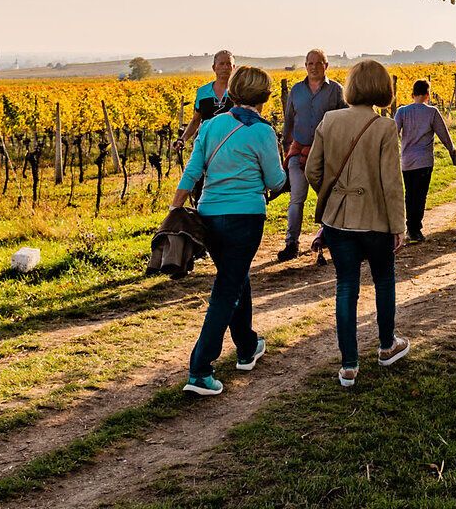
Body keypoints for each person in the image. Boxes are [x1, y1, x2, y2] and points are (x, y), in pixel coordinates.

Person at [172, 66, 285, 397]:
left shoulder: (211, 125)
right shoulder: (263, 133)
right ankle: (200, 369)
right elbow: (275, 182)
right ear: (265, 97)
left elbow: (193, 171)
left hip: (209, 216)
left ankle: (248, 346)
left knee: (236, 278)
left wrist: (175, 207)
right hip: (246, 218)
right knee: (227, 288)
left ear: (233, 92)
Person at [306, 60, 410, 388]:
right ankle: (386, 345)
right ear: (382, 89)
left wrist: (332, 194)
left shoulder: (329, 120)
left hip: (337, 220)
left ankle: (349, 365)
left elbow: (312, 170)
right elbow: (392, 182)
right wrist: (398, 225)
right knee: (383, 282)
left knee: (346, 286)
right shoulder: (384, 126)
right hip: (376, 220)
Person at [276, 48, 346, 262]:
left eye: (318, 63)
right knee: (297, 197)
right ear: (305, 66)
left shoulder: (336, 90)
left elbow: (344, 119)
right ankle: (291, 243)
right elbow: (288, 120)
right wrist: (287, 149)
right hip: (299, 151)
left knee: (327, 197)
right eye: (309, 63)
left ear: (326, 65)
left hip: (326, 154)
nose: (313, 67)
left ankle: (329, 238)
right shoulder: (296, 91)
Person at [394, 78, 456, 242]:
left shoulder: (402, 112)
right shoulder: (432, 112)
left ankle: (411, 228)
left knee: (410, 194)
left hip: (407, 161)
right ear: (427, 95)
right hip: (424, 161)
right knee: (420, 195)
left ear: (412, 94)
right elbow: (444, 134)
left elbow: (392, 134)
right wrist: (453, 152)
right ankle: (416, 229)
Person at [174, 49, 236, 157]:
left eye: (228, 64)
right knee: (193, 173)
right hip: (205, 145)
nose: (225, 67)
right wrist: (182, 139)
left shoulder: (239, 92)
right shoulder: (202, 92)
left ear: (233, 68)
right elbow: (195, 121)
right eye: (221, 64)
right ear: (214, 68)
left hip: (232, 147)